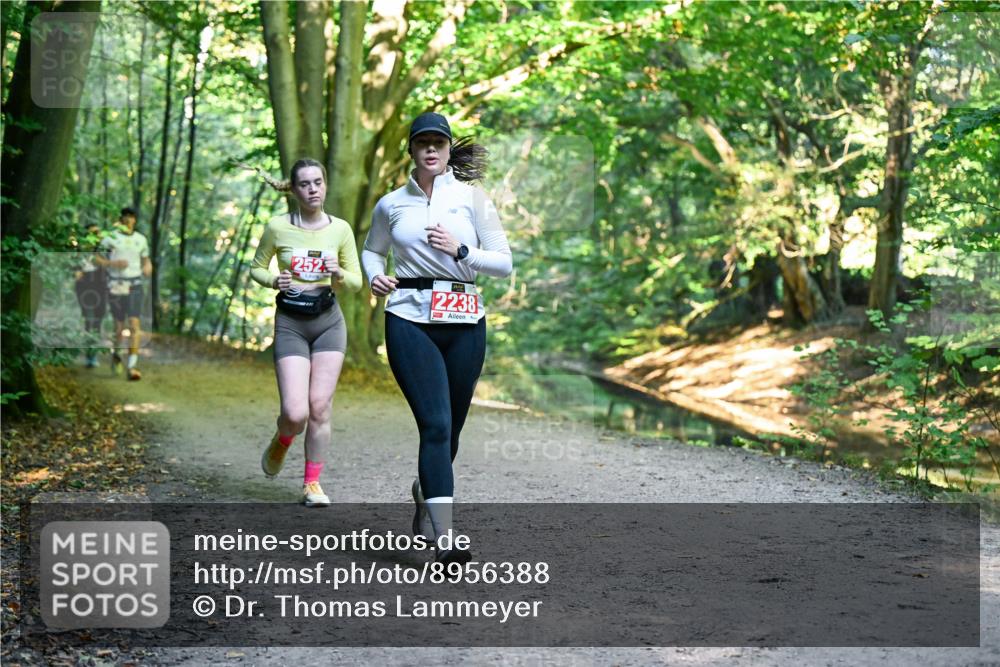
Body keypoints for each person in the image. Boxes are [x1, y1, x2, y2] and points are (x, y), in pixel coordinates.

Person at [362, 112, 512, 564]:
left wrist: (461, 250)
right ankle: (445, 541)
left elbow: (504, 264)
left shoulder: (473, 199)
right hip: (409, 316)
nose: (431, 149)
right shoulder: (391, 204)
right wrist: (375, 277)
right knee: (436, 424)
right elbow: (372, 250)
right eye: (422, 142)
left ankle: (426, 489)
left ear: (449, 151)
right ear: (410, 149)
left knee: (453, 430)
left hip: (465, 318)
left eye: (439, 143)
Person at [250, 157, 362, 507]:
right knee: (295, 413)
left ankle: (312, 484)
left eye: (318, 182)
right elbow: (256, 268)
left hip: (328, 321)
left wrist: (339, 273)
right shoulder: (277, 227)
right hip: (291, 324)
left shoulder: (340, 229)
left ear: (325, 185)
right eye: (304, 184)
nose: (312, 189)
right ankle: (283, 440)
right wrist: (274, 280)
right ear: (293, 189)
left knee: (319, 407)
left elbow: (358, 281)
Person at [93, 207, 151, 381]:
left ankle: (132, 367)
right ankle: (116, 355)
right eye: (125, 217)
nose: (128, 221)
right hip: (116, 285)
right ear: (121, 220)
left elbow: (146, 260)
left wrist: (148, 267)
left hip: (135, 285)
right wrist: (112, 263)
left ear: (135, 220)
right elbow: (95, 257)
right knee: (119, 328)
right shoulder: (111, 238)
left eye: (131, 217)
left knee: (134, 325)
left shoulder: (141, 240)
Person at [74, 222, 108, 368]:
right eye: (91, 233)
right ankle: (91, 355)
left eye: (97, 233)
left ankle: (92, 352)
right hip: (85, 289)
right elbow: (75, 270)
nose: (95, 236)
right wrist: (76, 271)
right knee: (90, 319)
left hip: (101, 288)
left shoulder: (104, 251)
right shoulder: (79, 252)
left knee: (97, 322)